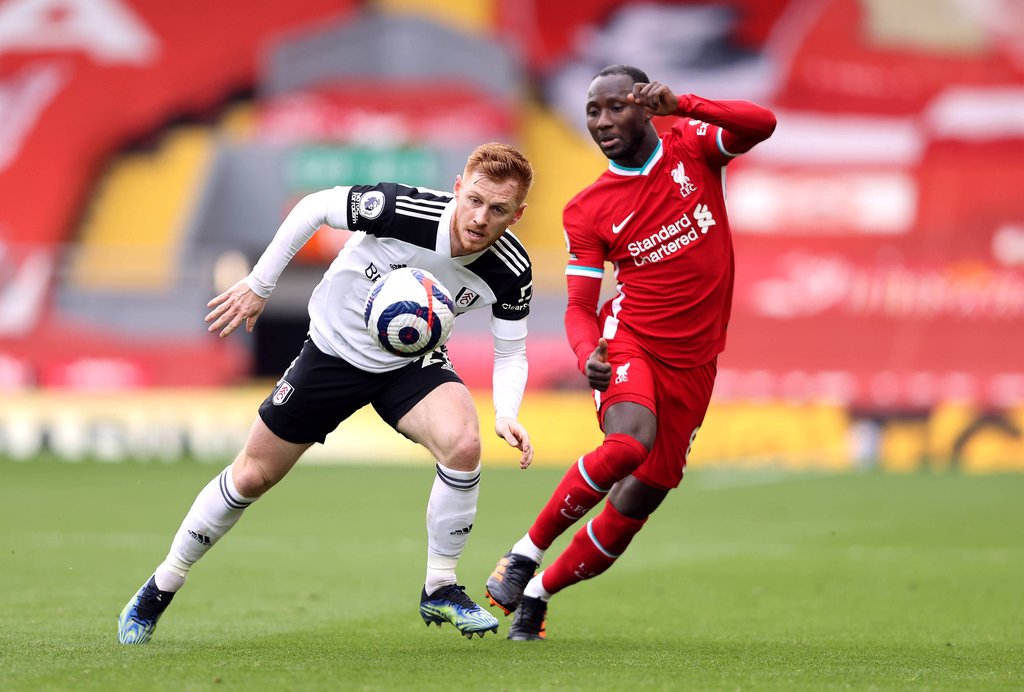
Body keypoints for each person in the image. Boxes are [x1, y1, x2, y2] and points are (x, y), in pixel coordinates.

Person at [117, 142, 537, 644]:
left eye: (498, 209)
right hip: (332, 352)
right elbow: (314, 207)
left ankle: (440, 586)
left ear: (518, 214)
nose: (481, 218)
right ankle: (163, 584)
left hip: (410, 363)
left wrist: (506, 412)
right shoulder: (403, 209)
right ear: (458, 189)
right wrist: (260, 284)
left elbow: (511, 351)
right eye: (474, 200)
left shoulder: (512, 270)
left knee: (464, 444)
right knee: (251, 476)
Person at [484, 65, 776, 640]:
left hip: (697, 359)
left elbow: (761, 122)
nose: (601, 121)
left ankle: (539, 595)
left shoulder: (692, 147)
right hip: (630, 340)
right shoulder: (587, 209)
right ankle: (523, 554)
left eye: (614, 106)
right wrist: (584, 353)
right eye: (592, 112)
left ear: (646, 106)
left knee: (639, 500)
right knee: (627, 444)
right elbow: (578, 306)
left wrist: (685, 103)